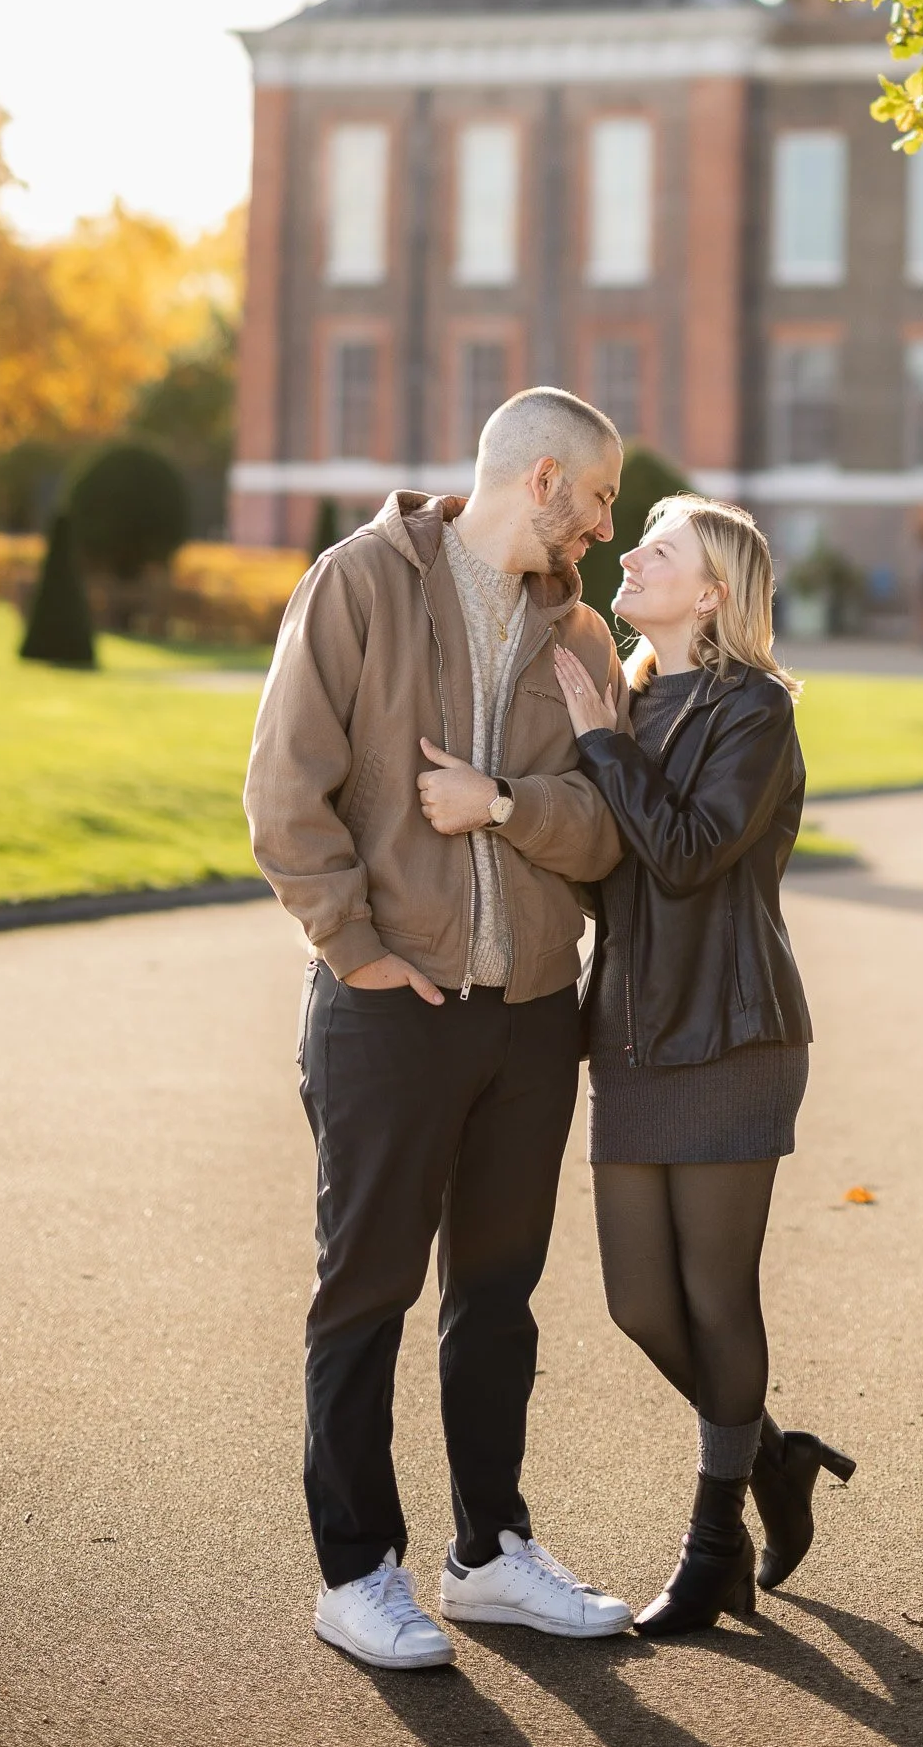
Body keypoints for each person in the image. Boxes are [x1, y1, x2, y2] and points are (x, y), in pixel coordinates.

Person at [245, 388, 634, 1671]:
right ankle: (357, 1568)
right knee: (366, 1289)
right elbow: (285, 787)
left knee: (499, 1295)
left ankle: (488, 1554)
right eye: (597, 496)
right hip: (388, 1009)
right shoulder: (357, 582)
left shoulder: (576, 637)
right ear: (540, 482)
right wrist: (353, 949)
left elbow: (602, 827)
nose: (605, 524)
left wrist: (507, 804)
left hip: (530, 1017)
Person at [552, 495, 853, 1640]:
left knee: (717, 1296)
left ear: (714, 592)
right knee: (640, 1304)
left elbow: (680, 856)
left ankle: (714, 1545)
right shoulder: (624, 695)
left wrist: (599, 744)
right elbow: (603, 864)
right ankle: (776, 1461)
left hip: (732, 1031)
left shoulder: (755, 710)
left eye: (659, 549)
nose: (631, 554)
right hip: (630, 1033)